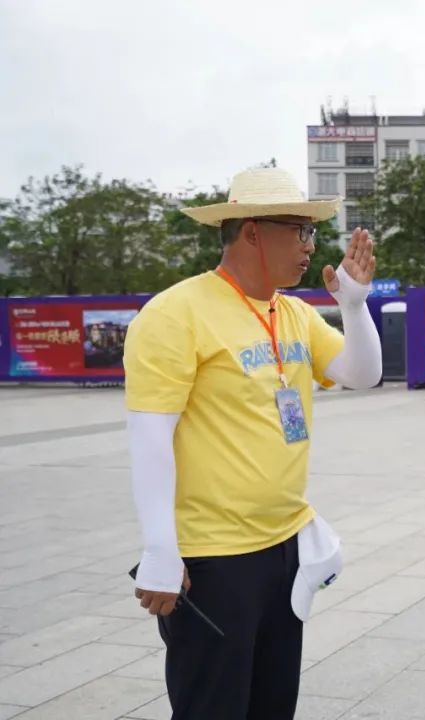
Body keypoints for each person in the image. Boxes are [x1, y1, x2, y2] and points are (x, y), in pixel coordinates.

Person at [123, 167, 383, 719]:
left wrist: (356, 305)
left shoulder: (292, 312)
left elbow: (363, 374)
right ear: (251, 232)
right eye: (299, 230)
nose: (310, 245)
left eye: (312, 231)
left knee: (272, 704)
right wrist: (160, 551)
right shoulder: (175, 314)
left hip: (286, 547)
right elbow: (150, 438)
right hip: (215, 560)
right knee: (213, 707)